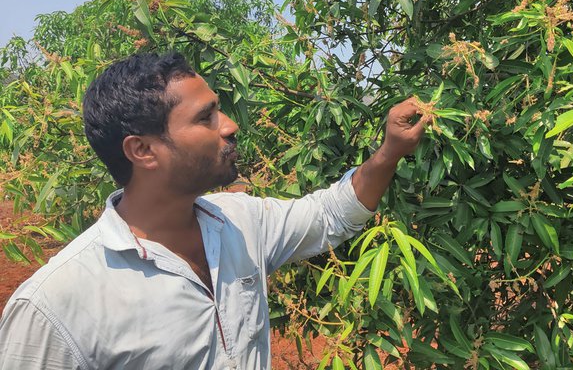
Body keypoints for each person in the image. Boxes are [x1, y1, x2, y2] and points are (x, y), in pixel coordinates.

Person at [0, 51, 430, 369]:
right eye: (205, 118)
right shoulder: (55, 306)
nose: (229, 125)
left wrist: (388, 153)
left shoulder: (241, 222)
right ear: (143, 150)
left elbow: (331, 215)